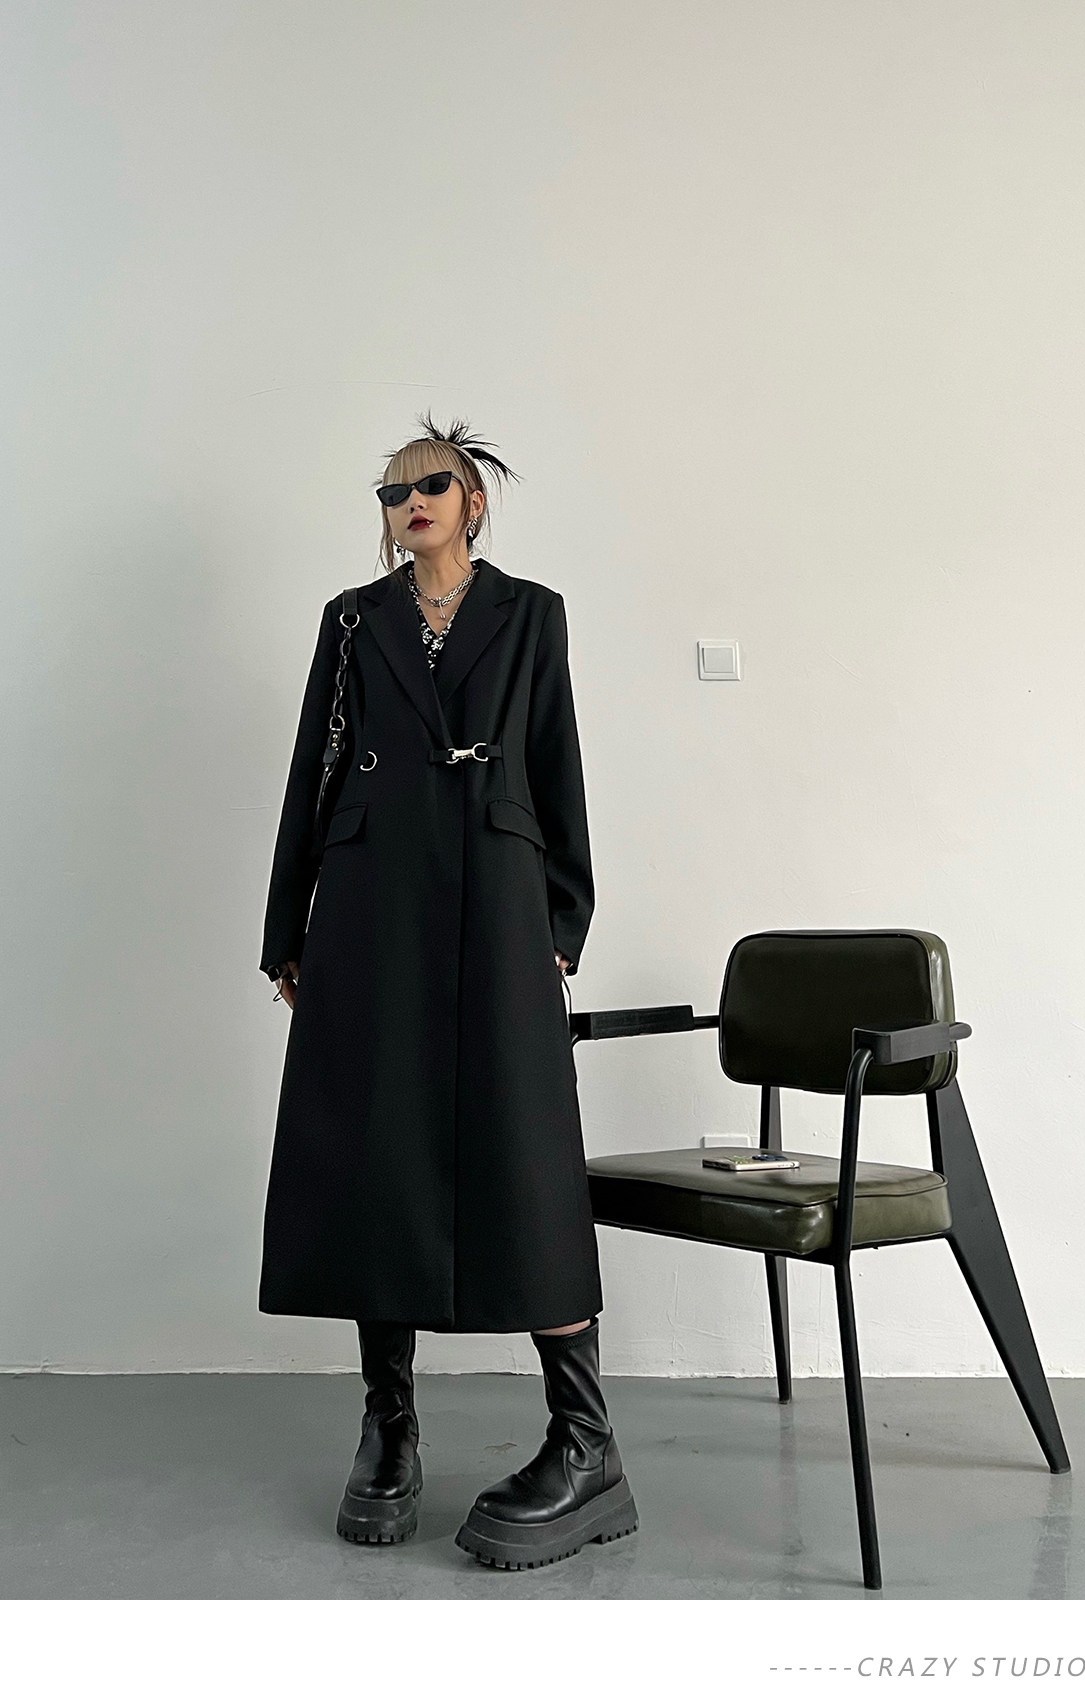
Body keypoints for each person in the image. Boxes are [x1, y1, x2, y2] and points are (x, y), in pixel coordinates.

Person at [257, 412, 637, 1570]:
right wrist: (288, 933)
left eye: (431, 484)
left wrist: (562, 922)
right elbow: (314, 769)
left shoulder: (531, 614)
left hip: (500, 898)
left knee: (523, 1147)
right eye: (391, 492)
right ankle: (390, 1425)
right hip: (371, 903)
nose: (409, 502)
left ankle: (584, 1438)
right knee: (379, 1147)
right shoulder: (352, 619)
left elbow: (557, 763)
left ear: (475, 501)